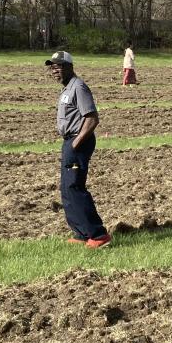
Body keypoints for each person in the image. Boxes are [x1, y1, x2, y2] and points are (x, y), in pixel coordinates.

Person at [46, 51, 111, 248]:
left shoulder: (79, 87)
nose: (54, 70)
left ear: (69, 67)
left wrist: (75, 144)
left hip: (78, 142)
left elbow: (92, 119)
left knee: (75, 186)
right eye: (52, 67)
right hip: (70, 141)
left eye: (58, 66)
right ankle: (81, 233)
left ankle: (98, 234)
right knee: (67, 189)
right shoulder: (67, 88)